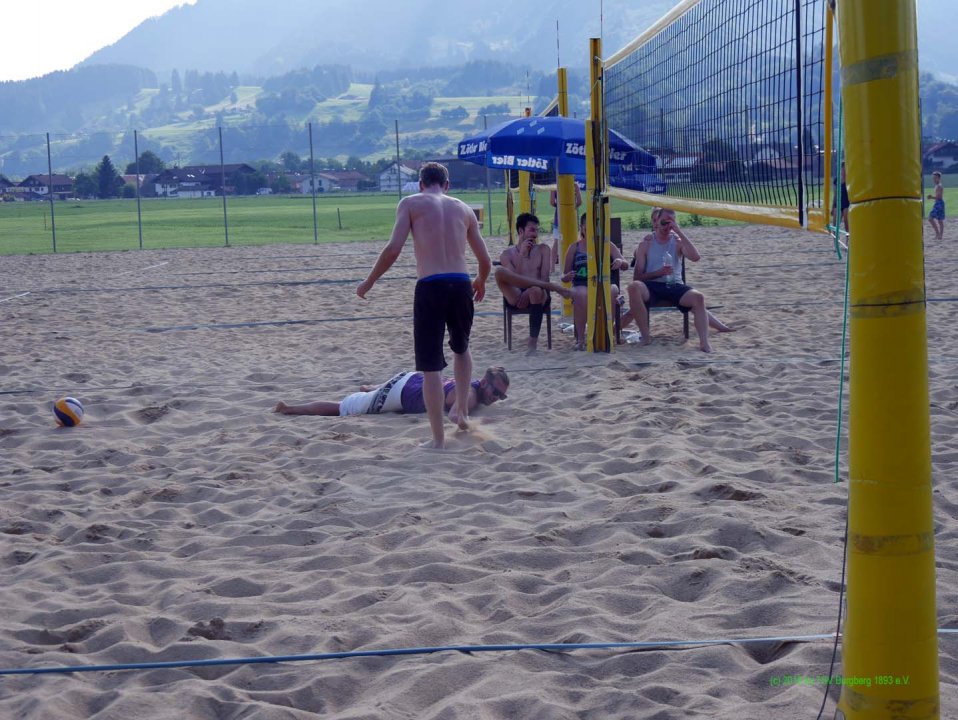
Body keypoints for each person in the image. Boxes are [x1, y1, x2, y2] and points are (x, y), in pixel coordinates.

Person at [357, 162, 492, 449]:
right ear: (447, 185)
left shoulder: (410, 203)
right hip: (460, 282)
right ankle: (463, 415)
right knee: (462, 348)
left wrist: (369, 281)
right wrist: (480, 280)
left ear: (420, 183)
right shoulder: (464, 208)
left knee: (431, 367)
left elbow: (393, 249)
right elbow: (485, 260)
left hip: (431, 285)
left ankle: (438, 439)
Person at [623, 207, 733, 353]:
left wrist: (679, 231)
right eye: (664, 223)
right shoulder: (646, 243)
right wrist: (659, 272)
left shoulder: (677, 241)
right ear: (656, 222)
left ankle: (704, 343)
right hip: (651, 286)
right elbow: (637, 277)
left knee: (698, 298)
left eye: (671, 223)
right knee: (633, 287)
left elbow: (696, 257)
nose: (667, 227)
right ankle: (645, 337)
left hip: (674, 285)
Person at [273, 366, 510, 425]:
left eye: (501, 397)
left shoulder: (469, 381)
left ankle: (371, 389)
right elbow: (456, 415)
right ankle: (290, 408)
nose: (496, 398)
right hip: (403, 393)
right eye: (496, 392)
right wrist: (475, 424)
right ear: (484, 382)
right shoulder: (469, 394)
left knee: (372, 395)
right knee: (342, 408)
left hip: (411, 378)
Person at [494, 212, 571, 353]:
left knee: (536, 290)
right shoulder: (507, 254)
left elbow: (544, 279)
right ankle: (554, 287)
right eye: (532, 230)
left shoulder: (543, 249)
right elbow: (513, 279)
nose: (535, 234)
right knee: (499, 271)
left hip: (539, 294)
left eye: (537, 230)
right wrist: (522, 256)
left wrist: (530, 290)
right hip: (516, 294)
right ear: (520, 231)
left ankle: (532, 344)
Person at [561, 212, 630, 350]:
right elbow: (564, 274)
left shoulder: (607, 245)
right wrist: (568, 276)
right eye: (587, 228)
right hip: (582, 283)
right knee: (580, 294)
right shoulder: (574, 247)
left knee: (611, 290)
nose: (591, 231)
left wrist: (619, 261)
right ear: (582, 228)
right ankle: (581, 339)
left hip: (605, 282)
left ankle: (607, 334)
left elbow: (626, 265)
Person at [550, 182, 582, 265]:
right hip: (572, 216)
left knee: (556, 242)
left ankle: (552, 266)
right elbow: (579, 201)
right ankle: (574, 262)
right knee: (574, 240)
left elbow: (552, 202)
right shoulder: (574, 185)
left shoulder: (555, 185)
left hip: (559, 216)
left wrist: (560, 207)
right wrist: (572, 207)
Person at [833, 161, 850, 233]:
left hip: (847, 204)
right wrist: (832, 207)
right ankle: (835, 241)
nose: (843, 170)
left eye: (845, 169)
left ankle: (848, 241)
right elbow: (835, 194)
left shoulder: (850, 179)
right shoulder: (836, 180)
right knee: (835, 226)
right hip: (838, 204)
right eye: (842, 169)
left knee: (847, 225)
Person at [928, 170, 945, 240]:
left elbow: (939, 197)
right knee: (939, 220)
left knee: (931, 218)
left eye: (935, 178)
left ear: (939, 178)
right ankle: (939, 235)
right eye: (933, 178)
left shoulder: (939, 186)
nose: (934, 179)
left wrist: (931, 197)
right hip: (938, 203)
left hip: (939, 204)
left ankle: (938, 234)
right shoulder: (937, 186)